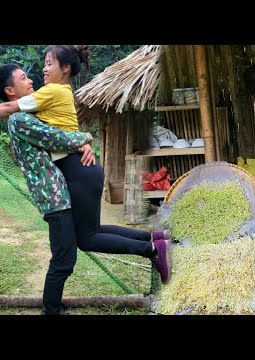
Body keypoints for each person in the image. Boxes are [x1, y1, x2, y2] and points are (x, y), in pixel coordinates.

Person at [0, 48, 171, 314]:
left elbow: (58, 136)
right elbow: (58, 137)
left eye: (47, 65)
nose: (33, 78)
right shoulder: (22, 117)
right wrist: (85, 140)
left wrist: (81, 142)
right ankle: (153, 242)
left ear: (65, 68)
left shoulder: (37, 107)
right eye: (24, 78)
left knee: (85, 239)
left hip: (72, 179)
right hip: (60, 189)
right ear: (10, 90)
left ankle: (152, 246)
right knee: (85, 239)